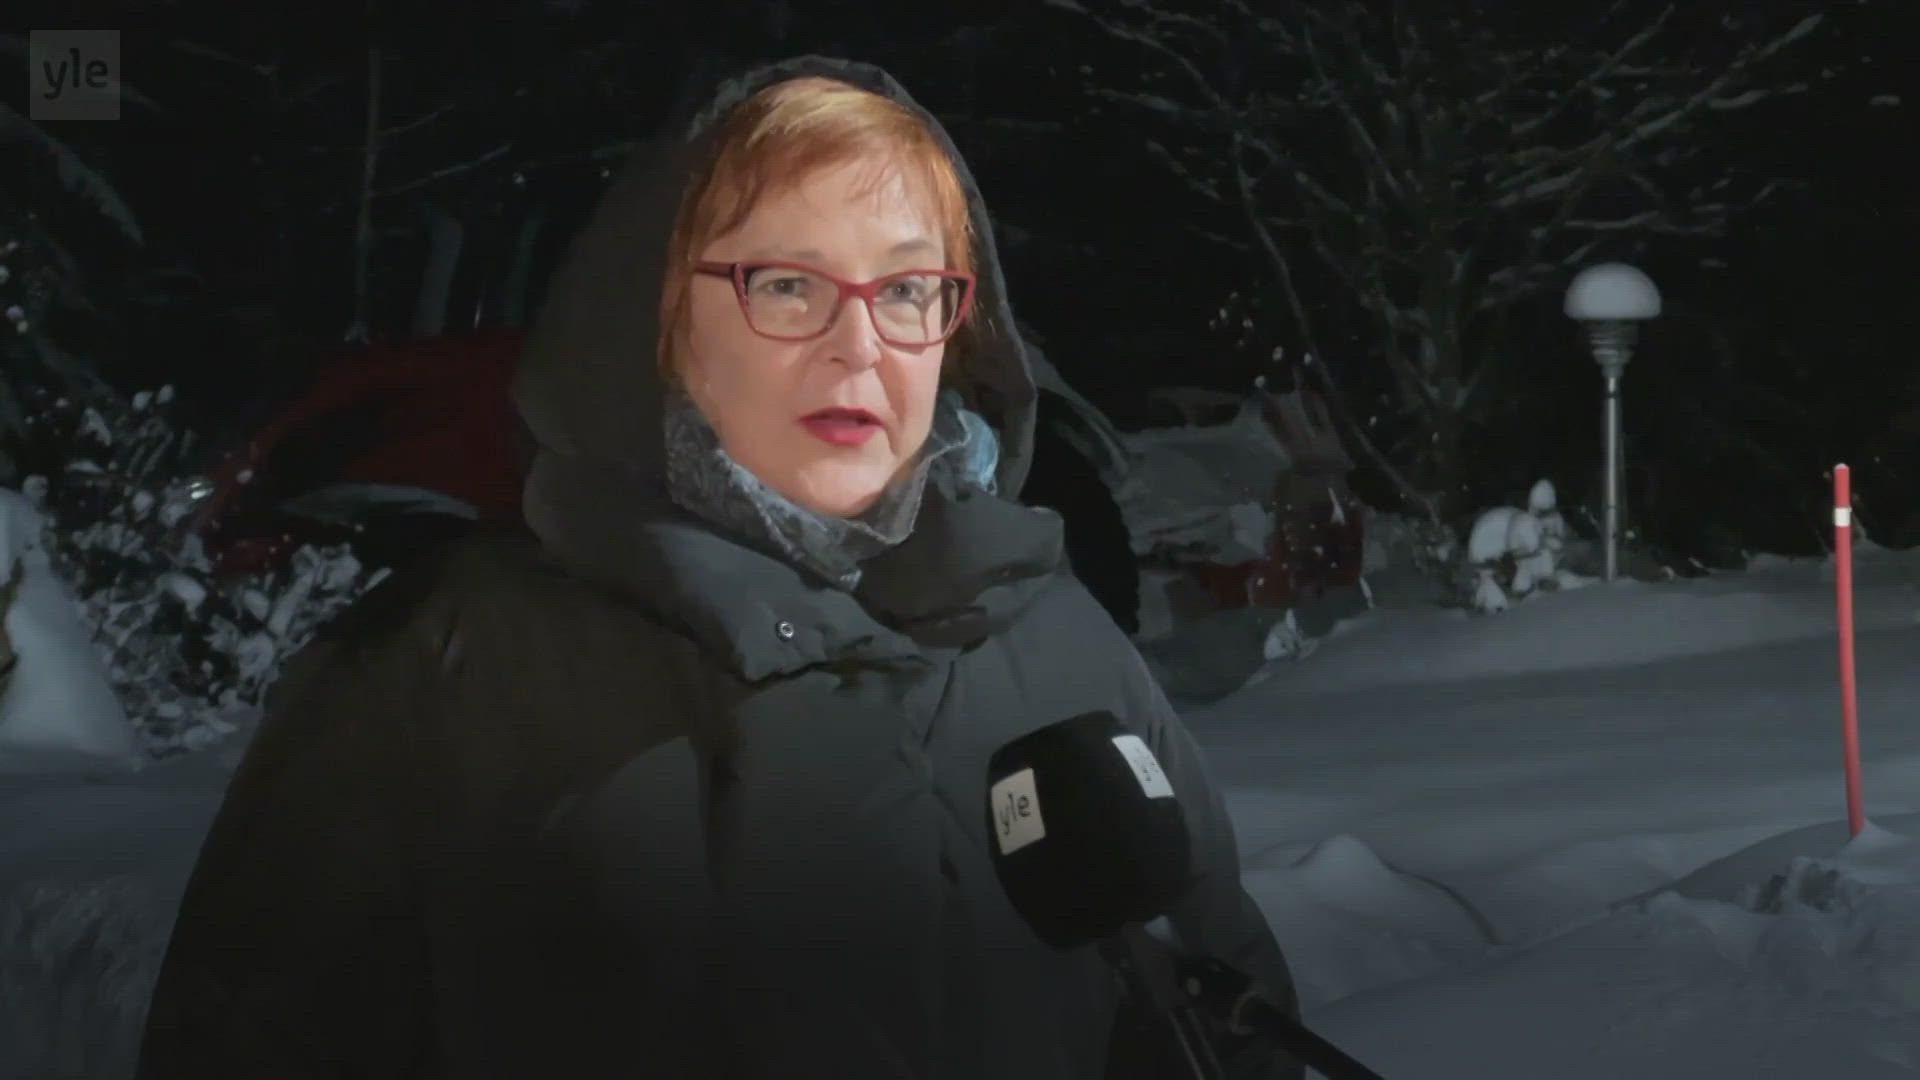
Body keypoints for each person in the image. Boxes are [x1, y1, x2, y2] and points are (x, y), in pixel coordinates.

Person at [136, 57, 1302, 1080]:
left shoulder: (1054, 642)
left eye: (906, 289)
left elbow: (1225, 1022)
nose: (859, 344)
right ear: (656, 321)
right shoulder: (445, 672)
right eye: (787, 284)